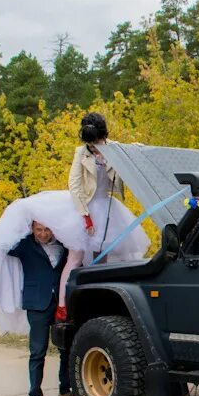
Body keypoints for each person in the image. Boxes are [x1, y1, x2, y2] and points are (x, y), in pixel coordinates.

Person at [56, 112, 150, 319]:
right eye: (91, 144)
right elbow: (74, 185)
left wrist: (144, 150)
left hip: (106, 207)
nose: (95, 147)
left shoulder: (113, 148)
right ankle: (62, 305)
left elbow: (134, 149)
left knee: (101, 258)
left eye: (97, 142)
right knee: (75, 256)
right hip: (84, 205)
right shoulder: (80, 153)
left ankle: (95, 303)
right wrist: (85, 216)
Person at [8, 221, 74, 396]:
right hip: (37, 303)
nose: (43, 234)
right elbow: (2, 246)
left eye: (47, 230)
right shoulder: (25, 245)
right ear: (32, 229)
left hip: (61, 303)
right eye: (39, 230)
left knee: (67, 347)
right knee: (38, 351)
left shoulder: (63, 243)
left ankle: (65, 390)